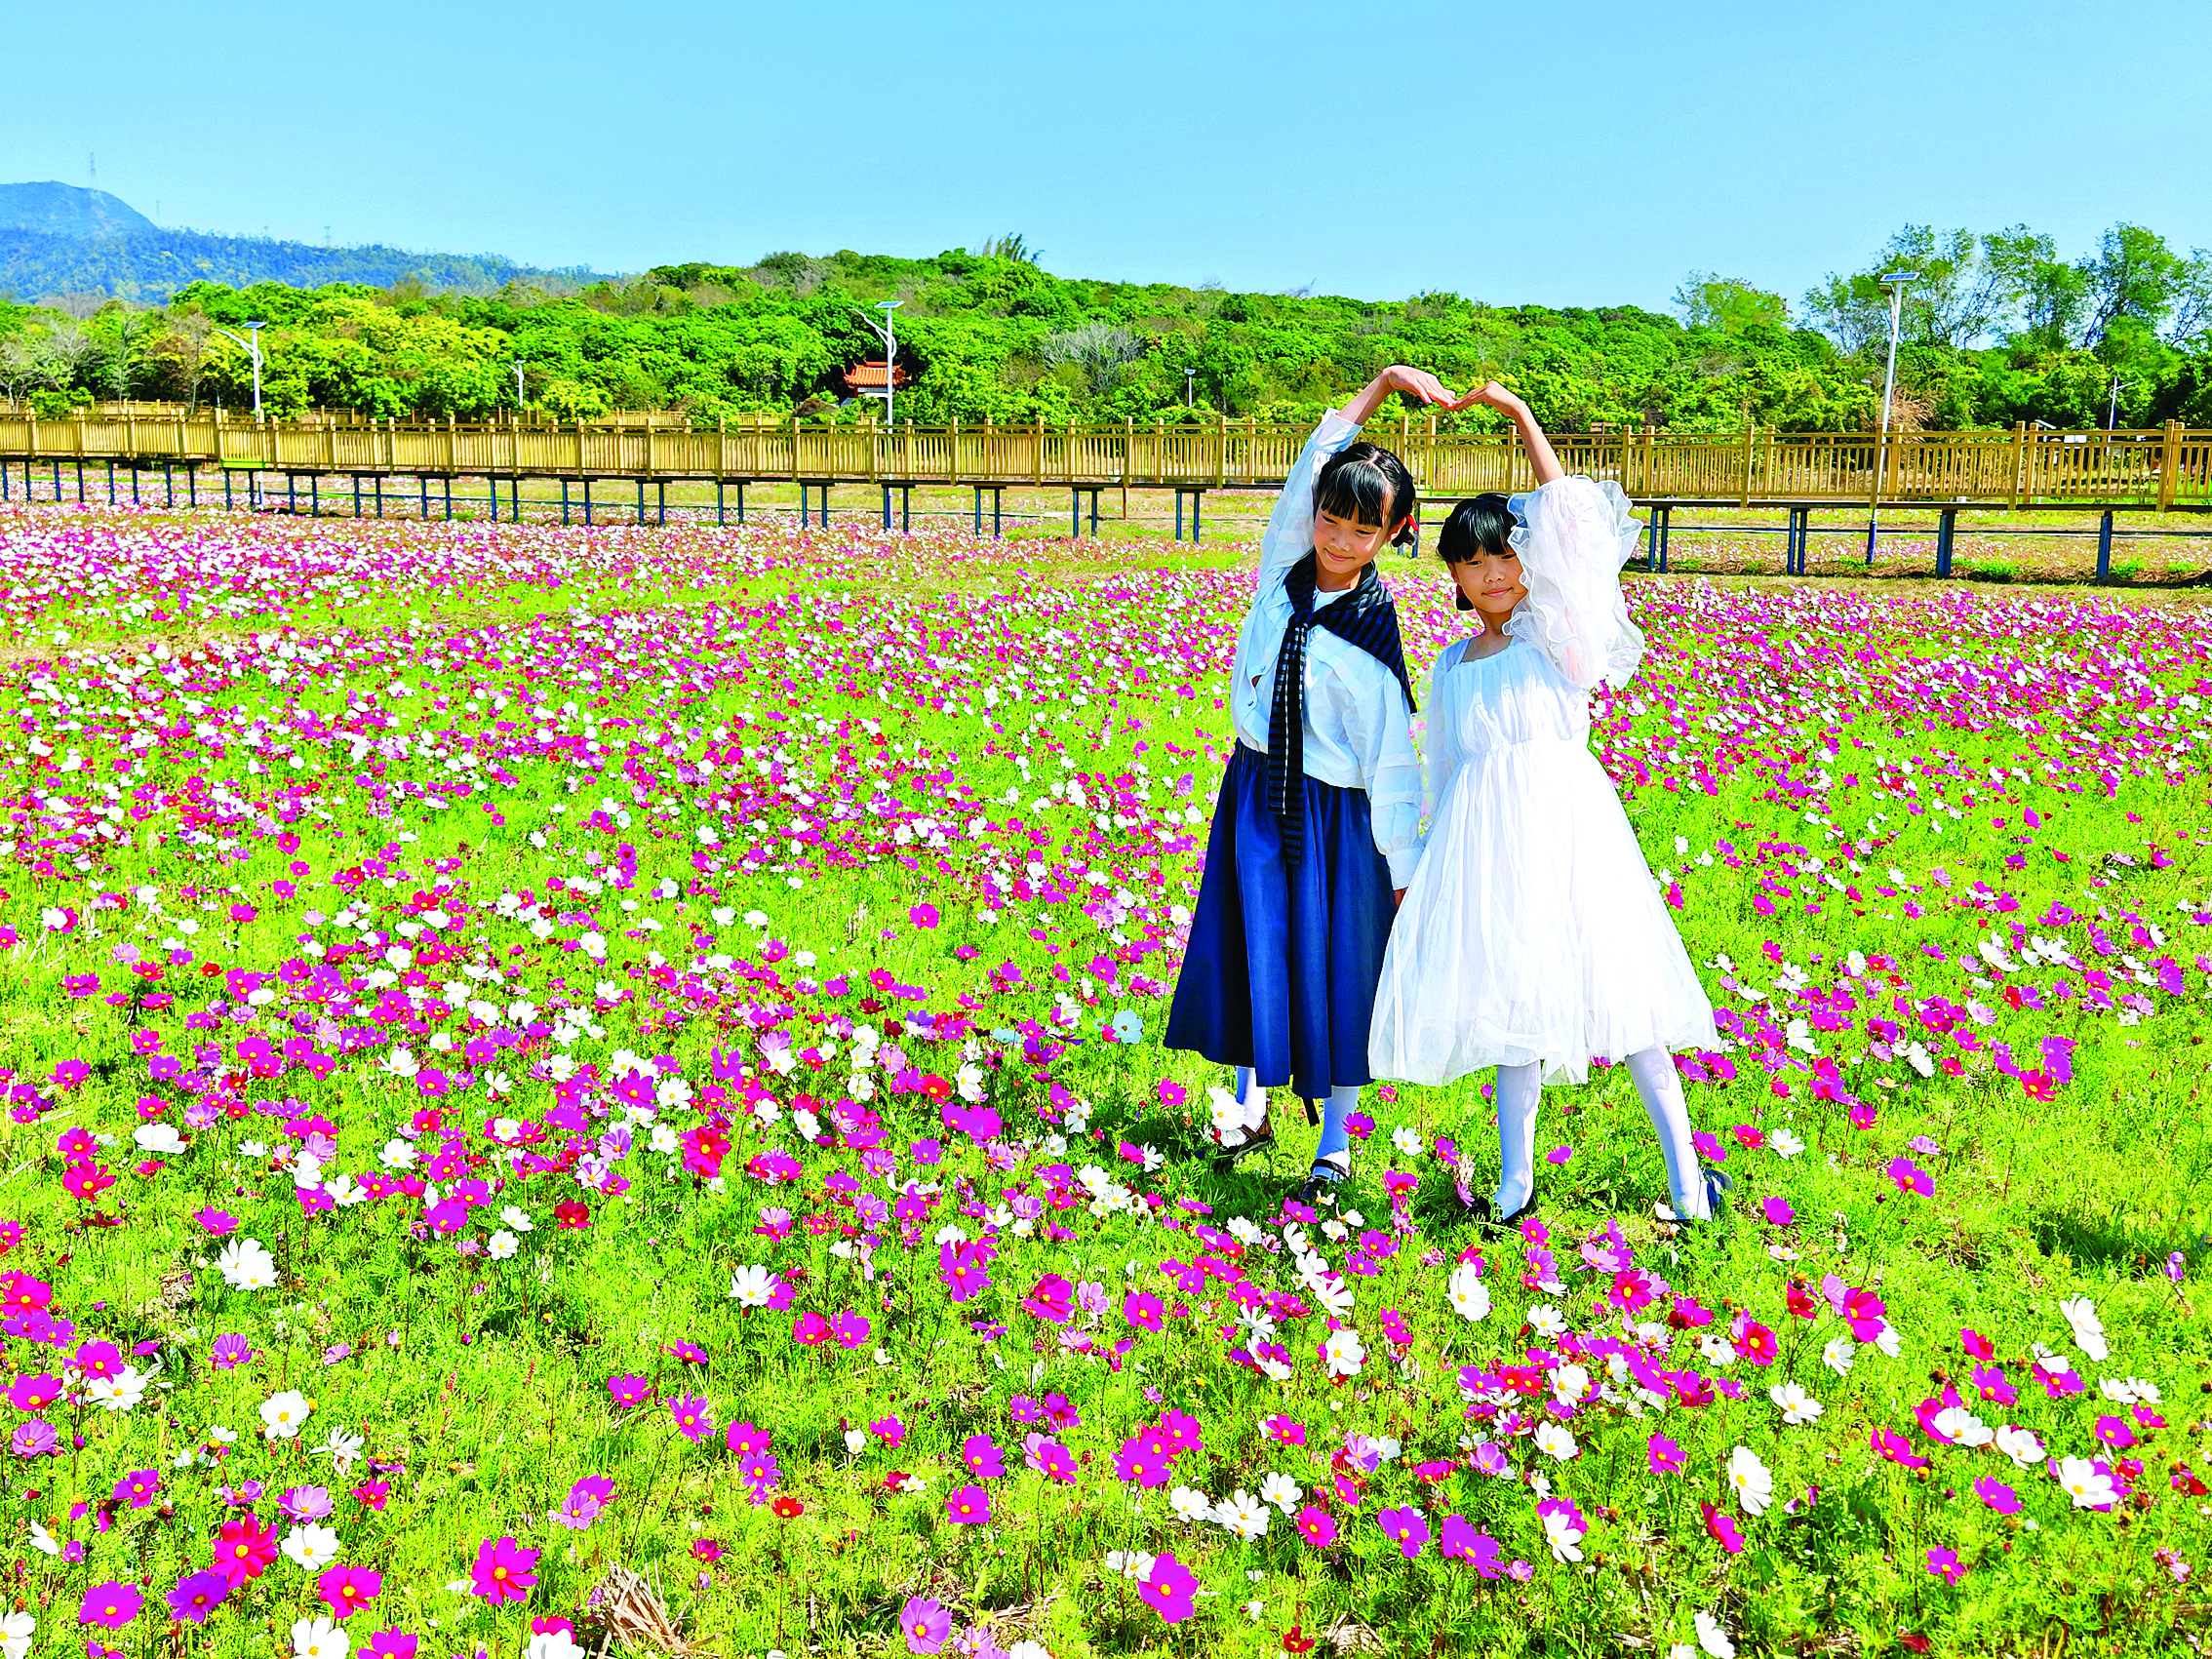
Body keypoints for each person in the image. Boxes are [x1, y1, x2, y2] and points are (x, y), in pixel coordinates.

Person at [1366, 382, 1726, 1228]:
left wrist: (1520, 417)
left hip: (1572, 833)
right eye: (1472, 561)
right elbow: (1445, 769)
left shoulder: (1557, 635)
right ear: (1452, 574)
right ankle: (1514, 1186)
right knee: (1512, 1010)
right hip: (1487, 847)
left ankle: (1685, 1185)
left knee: (1629, 998)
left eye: (1504, 557)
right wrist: (1424, 871)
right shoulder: (1452, 667)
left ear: (1529, 563)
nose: (1492, 574)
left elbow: (1571, 518)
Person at [1165, 364, 1464, 1207]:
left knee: (1339, 969)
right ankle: (1249, 1105)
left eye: (1360, 530)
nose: (1337, 539)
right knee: (1253, 941)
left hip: (1337, 820)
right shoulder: (1280, 573)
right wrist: (1380, 385)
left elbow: (1393, 770)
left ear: (1393, 533)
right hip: (1257, 786)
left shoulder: (1372, 639)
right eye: (1329, 519)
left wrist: (1401, 871)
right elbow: (1311, 464)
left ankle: (1334, 1139)